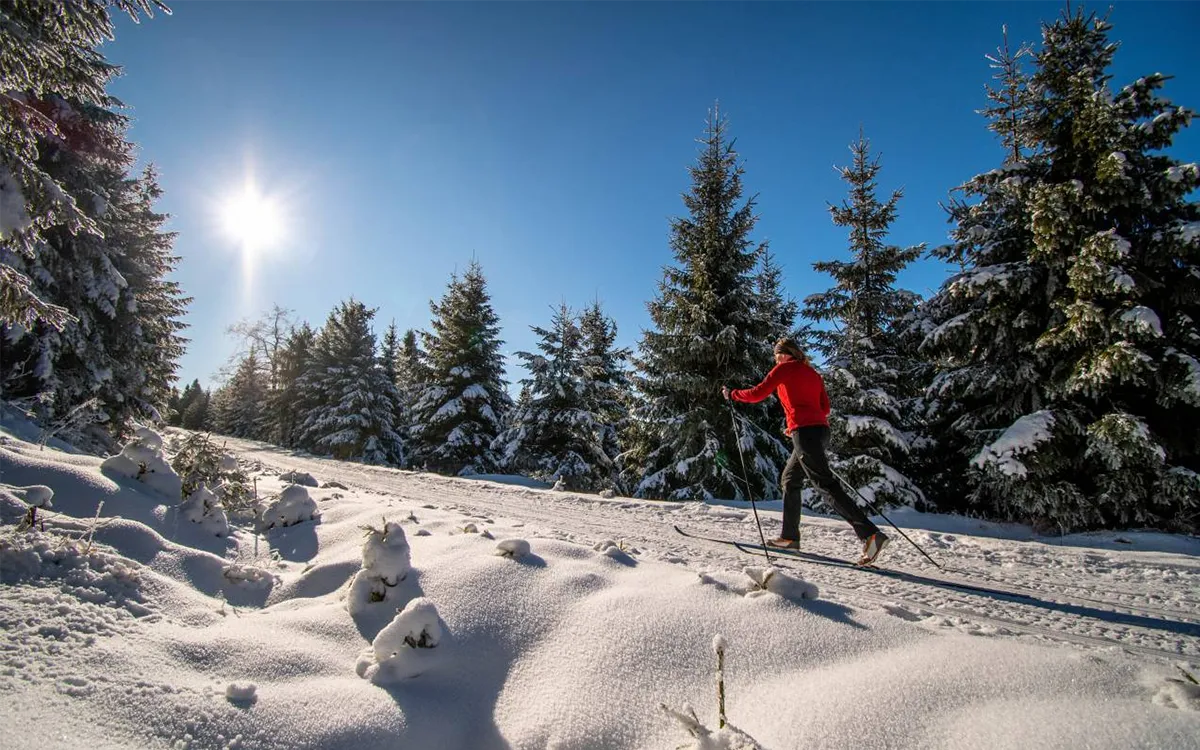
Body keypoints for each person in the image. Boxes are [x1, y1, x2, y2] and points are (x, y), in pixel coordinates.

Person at [722, 337, 889, 565]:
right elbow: (825, 408)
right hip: (819, 431)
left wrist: (732, 394)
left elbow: (757, 393)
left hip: (807, 433)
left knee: (825, 484)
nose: (776, 358)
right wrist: (797, 425)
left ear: (784, 354)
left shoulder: (783, 369)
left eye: (777, 354)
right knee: (790, 479)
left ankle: (869, 534)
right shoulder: (812, 374)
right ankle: (790, 537)